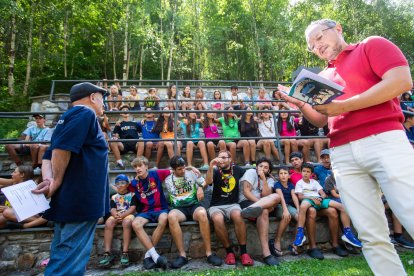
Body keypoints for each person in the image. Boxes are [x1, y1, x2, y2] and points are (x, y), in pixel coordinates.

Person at [279, 19, 414, 274]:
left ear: (338, 28)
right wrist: (299, 103)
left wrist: (344, 105)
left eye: (319, 37)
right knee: (370, 234)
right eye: (311, 46)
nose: (317, 46)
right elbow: (321, 119)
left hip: (384, 139)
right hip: (342, 152)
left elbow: (401, 81)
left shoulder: (371, 45)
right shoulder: (323, 77)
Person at [32, 82, 110, 275]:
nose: (105, 104)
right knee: (67, 265)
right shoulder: (85, 114)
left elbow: (48, 155)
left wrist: (49, 179)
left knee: (64, 256)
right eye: (103, 98)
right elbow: (60, 149)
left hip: (70, 201)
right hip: (80, 202)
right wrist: (55, 181)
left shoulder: (65, 118)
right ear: (92, 97)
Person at [165, 156, 223, 268]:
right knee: (171, 216)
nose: (182, 171)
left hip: (194, 206)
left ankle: (209, 254)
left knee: (202, 213)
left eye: (184, 168)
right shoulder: (168, 179)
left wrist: (200, 187)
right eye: (179, 169)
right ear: (173, 169)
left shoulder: (191, 172)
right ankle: (182, 256)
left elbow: (206, 183)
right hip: (179, 209)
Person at [293, 163, 361, 250]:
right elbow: (300, 196)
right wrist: (312, 198)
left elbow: (323, 194)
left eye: (308, 172)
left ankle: (348, 233)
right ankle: (300, 233)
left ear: (311, 174)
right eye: (303, 171)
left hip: (319, 200)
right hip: (308, 199)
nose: (305, 173)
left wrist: (320, 199)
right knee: (303, 205)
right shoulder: (300, 183)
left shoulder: (315, 182)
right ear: (301, 172)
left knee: (342, 207)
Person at [205, 150, 254, 266]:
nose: (221, 160)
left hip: (233, 204)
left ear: (230, 159)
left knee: (238, 215)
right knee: (217, 219)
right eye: (219, 157)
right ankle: (229, 252)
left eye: (224, 157)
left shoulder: (237, 170)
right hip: (216, 205)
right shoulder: (216, 171)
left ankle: (244, 252)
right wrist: (211, 166)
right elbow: (208, 182)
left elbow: (251, 174)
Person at [238, 158, 281, 266]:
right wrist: (261, 203)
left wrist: (263, 179)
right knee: (265, 210)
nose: (262, 169)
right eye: (260, 166)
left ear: (269, 171)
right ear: (256, 166)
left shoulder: (269, 180)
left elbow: (267, 195)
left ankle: (249, 211)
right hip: (246, 202)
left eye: (266, 167)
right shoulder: (251, 172)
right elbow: (246, 192)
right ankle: (267, 254)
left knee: (276, 196)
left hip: (258, 205)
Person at [130, 156, 170, 269]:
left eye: (140, 165)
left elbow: (175, 169)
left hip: (161, 208)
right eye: (135, 167)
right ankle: (156, 256)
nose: (138, 168)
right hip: (146, 211)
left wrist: (191, 168)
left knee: (164, 219)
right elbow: (122, 190)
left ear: (146, 166)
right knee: (135, 224)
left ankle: (148, 256)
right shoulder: (134, 183)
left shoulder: (156, 174)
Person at [99, 174, 137, 268]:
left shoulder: (132, 195)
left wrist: (123, 215)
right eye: (117, 183)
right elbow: (112, 208)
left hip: (128, 214)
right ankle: (107, 253)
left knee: (126, 223)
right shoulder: (114, 197)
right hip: (117, 215)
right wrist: (115, 215)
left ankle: (125, 252)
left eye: (122, 183)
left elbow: (132, 208)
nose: (120, 185)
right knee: (108, 223)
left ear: (127, 184)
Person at [269, 166, 299, 257]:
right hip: (279, 206)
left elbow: (294, 196)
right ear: (278, 176)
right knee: (287, 216)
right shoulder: (277, 184)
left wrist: (298, 209)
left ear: (289, 176)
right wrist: (285, 210)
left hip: (289, 206)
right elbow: (280, 196)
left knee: (300, 218)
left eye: (285, 173)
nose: (283, 175)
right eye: (281, 173)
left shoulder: (291, 185)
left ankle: (295, 243)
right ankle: (276, 241)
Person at [109, 105, 140, 169]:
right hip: (124, 144)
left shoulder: (135, 123)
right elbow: (116, 136)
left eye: (127, 110)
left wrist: (144, 119)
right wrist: (115, 137)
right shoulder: (119, 124)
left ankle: (137, 163)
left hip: (135, 143)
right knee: (112, 141)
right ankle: (119, 163)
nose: (125, 111)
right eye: (123, 110)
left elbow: (142, 130)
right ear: (121, 113)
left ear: (129, 112)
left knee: (142, 141)